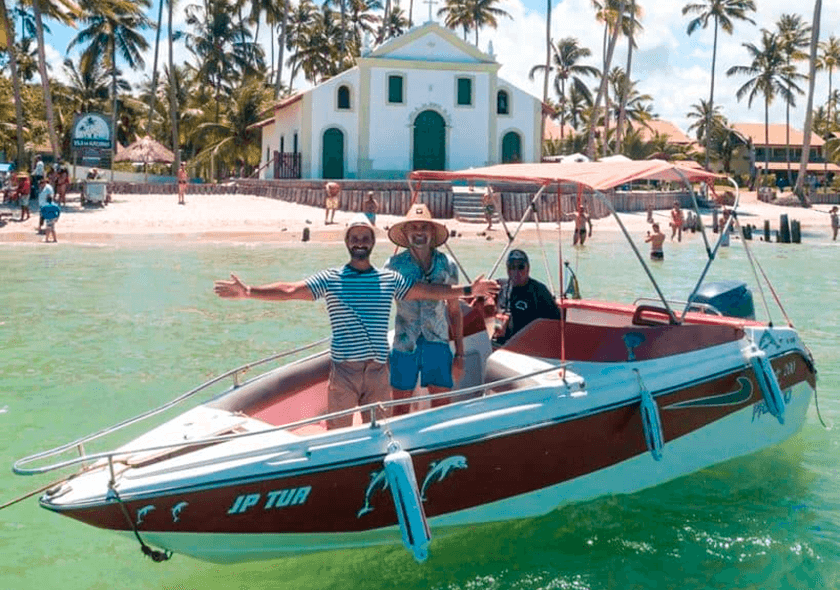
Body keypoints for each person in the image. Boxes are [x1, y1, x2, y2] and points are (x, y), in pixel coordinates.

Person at [213, 214, 498, 429]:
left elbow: (431, 292)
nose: (360, 242)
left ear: (372, 243)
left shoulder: (390, 279)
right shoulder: (330, 279)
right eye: (355, 238)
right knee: (338, 435)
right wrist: (249, 292)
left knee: (382, 434)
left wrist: (470, 291)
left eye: (365, 238)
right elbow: (290, 290)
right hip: (344, 373)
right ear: (347, 242)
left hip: (377, 373)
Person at [385, 204, 464, 416]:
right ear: (405, 232)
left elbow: (454, 311)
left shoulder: (448, 265)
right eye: (413, 227)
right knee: (399, 410)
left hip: (437, 343)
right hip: (403, 345)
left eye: (424, 227)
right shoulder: (392, 266)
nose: (419, 232)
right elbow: (380, 311)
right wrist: (381, 353)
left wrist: (460, 355)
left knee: (442, 407)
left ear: (432, 232)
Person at [492, 249, 562, 346]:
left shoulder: (539, 291)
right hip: (504, 345)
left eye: (521, 267)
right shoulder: (502, 288)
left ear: (528, 269)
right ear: (508, 270)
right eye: (512, 267)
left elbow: (556, 322)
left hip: (530, 346)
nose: (516, 271)